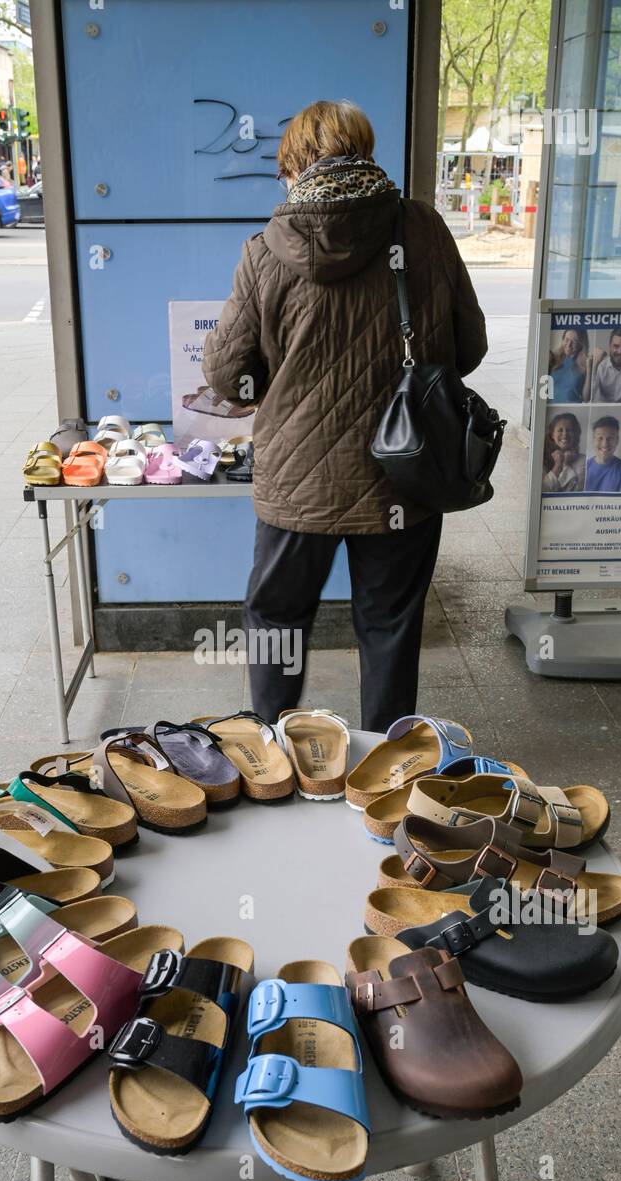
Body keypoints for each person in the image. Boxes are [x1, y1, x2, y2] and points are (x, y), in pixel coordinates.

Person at [202, 99, 487, 731]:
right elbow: (469, 347)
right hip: (403, 475)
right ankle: (382, 767)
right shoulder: (423, 229)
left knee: (276, 618)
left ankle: (273, 752)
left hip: (296, 483)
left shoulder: (266, 249)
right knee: (388, 623)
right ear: (364, 147)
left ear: (294, 163)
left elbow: (227, 376)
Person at [587, 327, 621, 403]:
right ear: (610, 346)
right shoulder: (600, 366)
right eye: (616, 346)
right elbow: (589, 398)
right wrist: (595, 365)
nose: (620, 351)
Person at [584, 415, 621, 492]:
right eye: (600, 438)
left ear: (617, 440)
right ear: (593, 440)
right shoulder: (584, 467)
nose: (605, 444)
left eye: (610, 438)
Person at [542, 413, 585, 491]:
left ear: (575, 434)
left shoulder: (583, 460)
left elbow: (575, 490)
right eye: (560, 430)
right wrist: (557, 465)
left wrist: (566, 465)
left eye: (569, 430)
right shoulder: (542, 458)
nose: (565, 434)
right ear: (552, 434)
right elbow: (544, 489)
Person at [549, 328, 588, 403]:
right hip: (552, 409)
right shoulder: (553, 359)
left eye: (574, 341)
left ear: (581, 345)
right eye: (567, 339)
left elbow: (586, 398)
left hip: (572, 409)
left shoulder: (586, 364)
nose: (569, 345)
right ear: (563, 340)